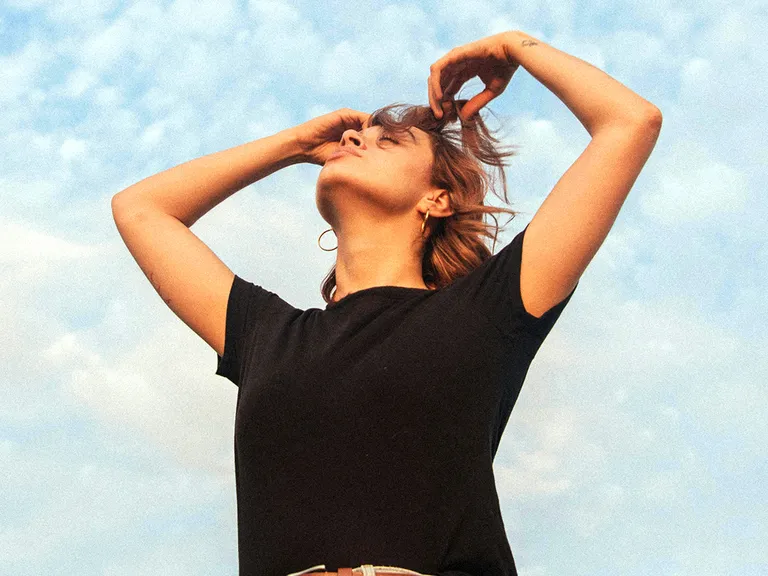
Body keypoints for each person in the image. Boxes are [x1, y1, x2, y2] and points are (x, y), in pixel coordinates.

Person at [112, 30, 661, 576]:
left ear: (437, 199)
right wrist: (294, 144)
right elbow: (140, 208)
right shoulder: (266, 334)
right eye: (356, 136)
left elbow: (630, 122)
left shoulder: (489, 310)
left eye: (388, 142)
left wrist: (515, 47)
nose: (353, 139)